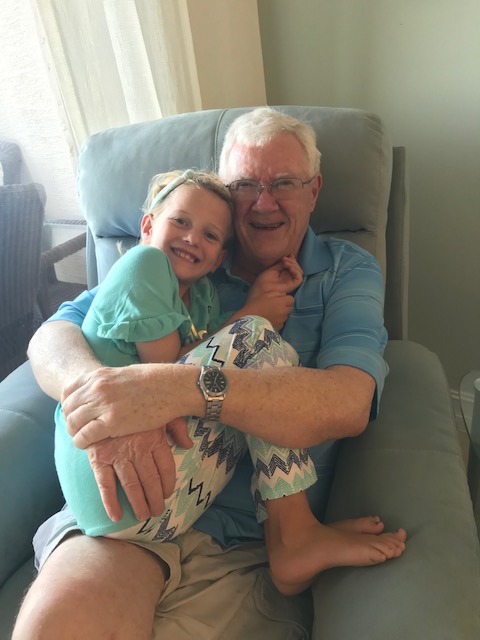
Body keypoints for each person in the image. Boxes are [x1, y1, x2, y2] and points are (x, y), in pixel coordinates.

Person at [14, 107, 406, 640]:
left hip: (241, 543)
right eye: (245, 185)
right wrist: (102, 398)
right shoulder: (181, 261)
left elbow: (348, 402)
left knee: (256, 340)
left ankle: (293, 536)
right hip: (128, 500)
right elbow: (53, 337)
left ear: (314, 191)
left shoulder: (345, 270)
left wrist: (168, 390)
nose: (263, 202)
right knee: (58, 627)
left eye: (283, 183)